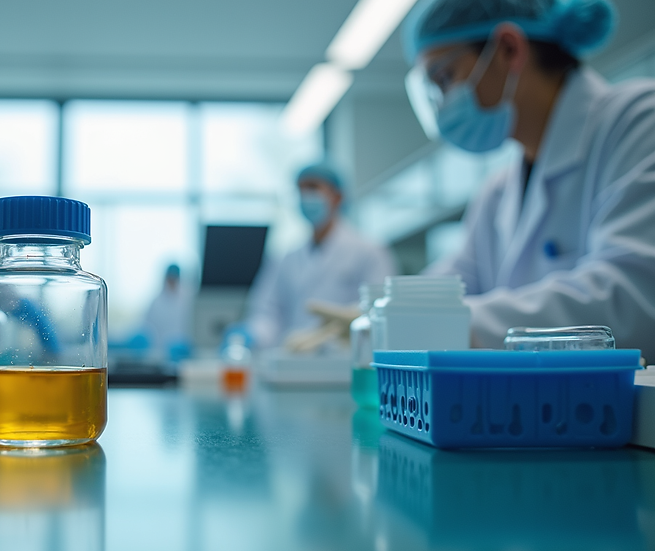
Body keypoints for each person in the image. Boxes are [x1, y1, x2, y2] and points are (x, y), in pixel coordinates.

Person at [403, 0, 655, 358]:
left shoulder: (639, 123)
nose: (443, 103)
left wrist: (452, 324)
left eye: (445, 78)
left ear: (509, 49)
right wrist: (386, 309)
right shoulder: (496, 192)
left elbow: (634, 300)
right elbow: (453, 283)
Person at [246, 163, 397, 349]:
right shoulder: (286, 259)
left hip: (345, 360)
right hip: (294, 358)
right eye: (300, 190)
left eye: (313, 188)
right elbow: (268, 311)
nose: (305, 197)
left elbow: (379, 311)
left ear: (337, 196)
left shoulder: (370, 252)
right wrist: (253, 335)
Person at [142, 264, 192, 356]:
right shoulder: (156, 303)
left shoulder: (188, 299)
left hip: (184, 351)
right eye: (170, 278)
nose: (172, 281)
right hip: (161, 353)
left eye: (174, 278)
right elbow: (147, 329)